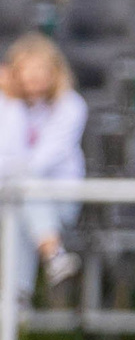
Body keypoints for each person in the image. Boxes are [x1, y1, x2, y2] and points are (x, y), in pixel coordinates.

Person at [0, 34, 86, 292]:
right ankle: (52, 257)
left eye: (40, 69)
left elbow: (39, 163)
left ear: (54, 71)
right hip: (14, 197)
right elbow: (7, 152)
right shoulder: (9, 106)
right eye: (26, 69)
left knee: (25, 192)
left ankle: (16, 298)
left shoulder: (71, 106)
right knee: (19, 204)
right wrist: (13, 101)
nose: (33, 76)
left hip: (60, 201)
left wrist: (13, 171)